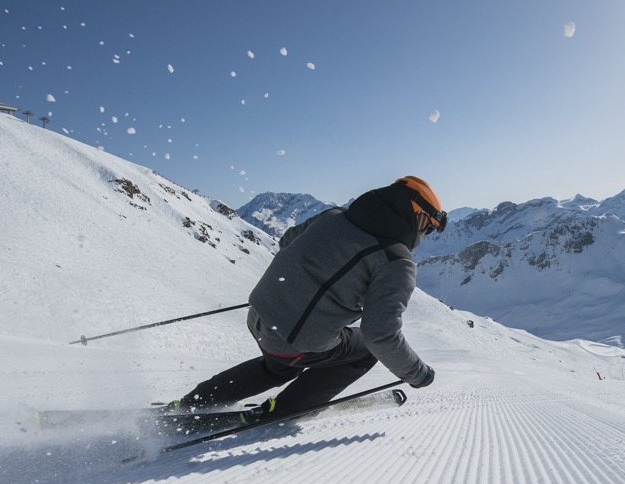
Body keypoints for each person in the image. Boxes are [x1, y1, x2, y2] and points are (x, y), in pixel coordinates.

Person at [171, 175, 446, 421]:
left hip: (259, 315)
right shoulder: (396, 260)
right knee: (363, 351)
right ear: (417, 216)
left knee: (279, 367)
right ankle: (288, 410)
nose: (425, 235)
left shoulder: (333, 215)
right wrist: (417, 374)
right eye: (429, 227)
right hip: (295, 341)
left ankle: (192, 403)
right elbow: (381, 335)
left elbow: (287, 240)